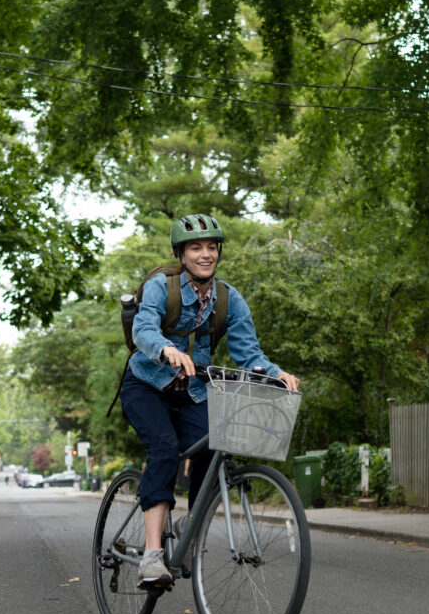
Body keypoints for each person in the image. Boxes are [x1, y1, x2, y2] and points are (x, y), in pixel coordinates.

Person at [119, 213, 300, 588]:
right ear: (181, 254)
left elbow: (248, 352)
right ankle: (152, 555)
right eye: (196, 248)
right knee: (166, 451)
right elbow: (144, 328)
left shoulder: (228, 299)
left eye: (211, 247)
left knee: (214, 444)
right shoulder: (160, 287)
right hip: (146, 384)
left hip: (194, 390)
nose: (205, 254)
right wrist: (166, 349)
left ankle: (191, 523)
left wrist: (275, 373)